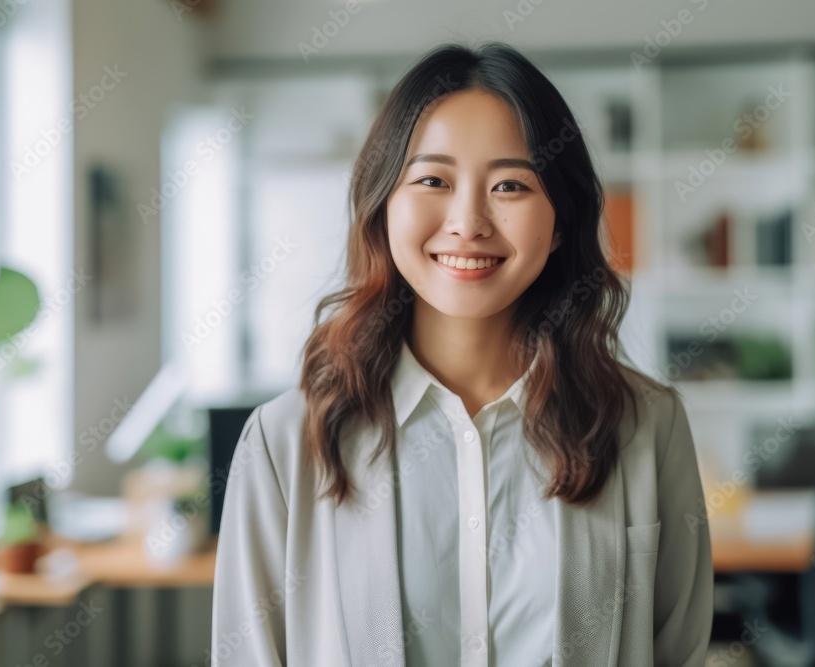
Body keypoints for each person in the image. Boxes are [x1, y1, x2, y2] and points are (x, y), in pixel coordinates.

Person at [211, 41, 713, 667]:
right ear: (381, 206)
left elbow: (678, 653)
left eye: (510, 184)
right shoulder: (285, 442)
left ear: (560, 221)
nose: (468, 221)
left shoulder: (648, 427)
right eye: (432, 180)